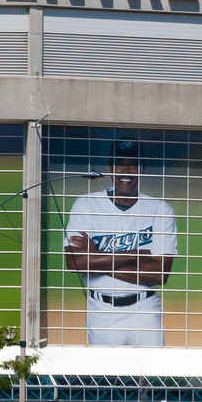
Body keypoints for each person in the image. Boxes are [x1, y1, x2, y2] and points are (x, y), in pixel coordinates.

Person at [64, 138, 177, 346]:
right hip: (101, 310)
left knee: (150, 374)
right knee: (106, 376)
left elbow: (160, 274)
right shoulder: (87, 204)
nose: (126, 169)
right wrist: (134, 255)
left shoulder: (160, 209)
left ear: (142, 169)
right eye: (119, 163)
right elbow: (74, 263)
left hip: (145, 309)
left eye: (133, 163)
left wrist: (96, 258)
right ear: (111, 167)